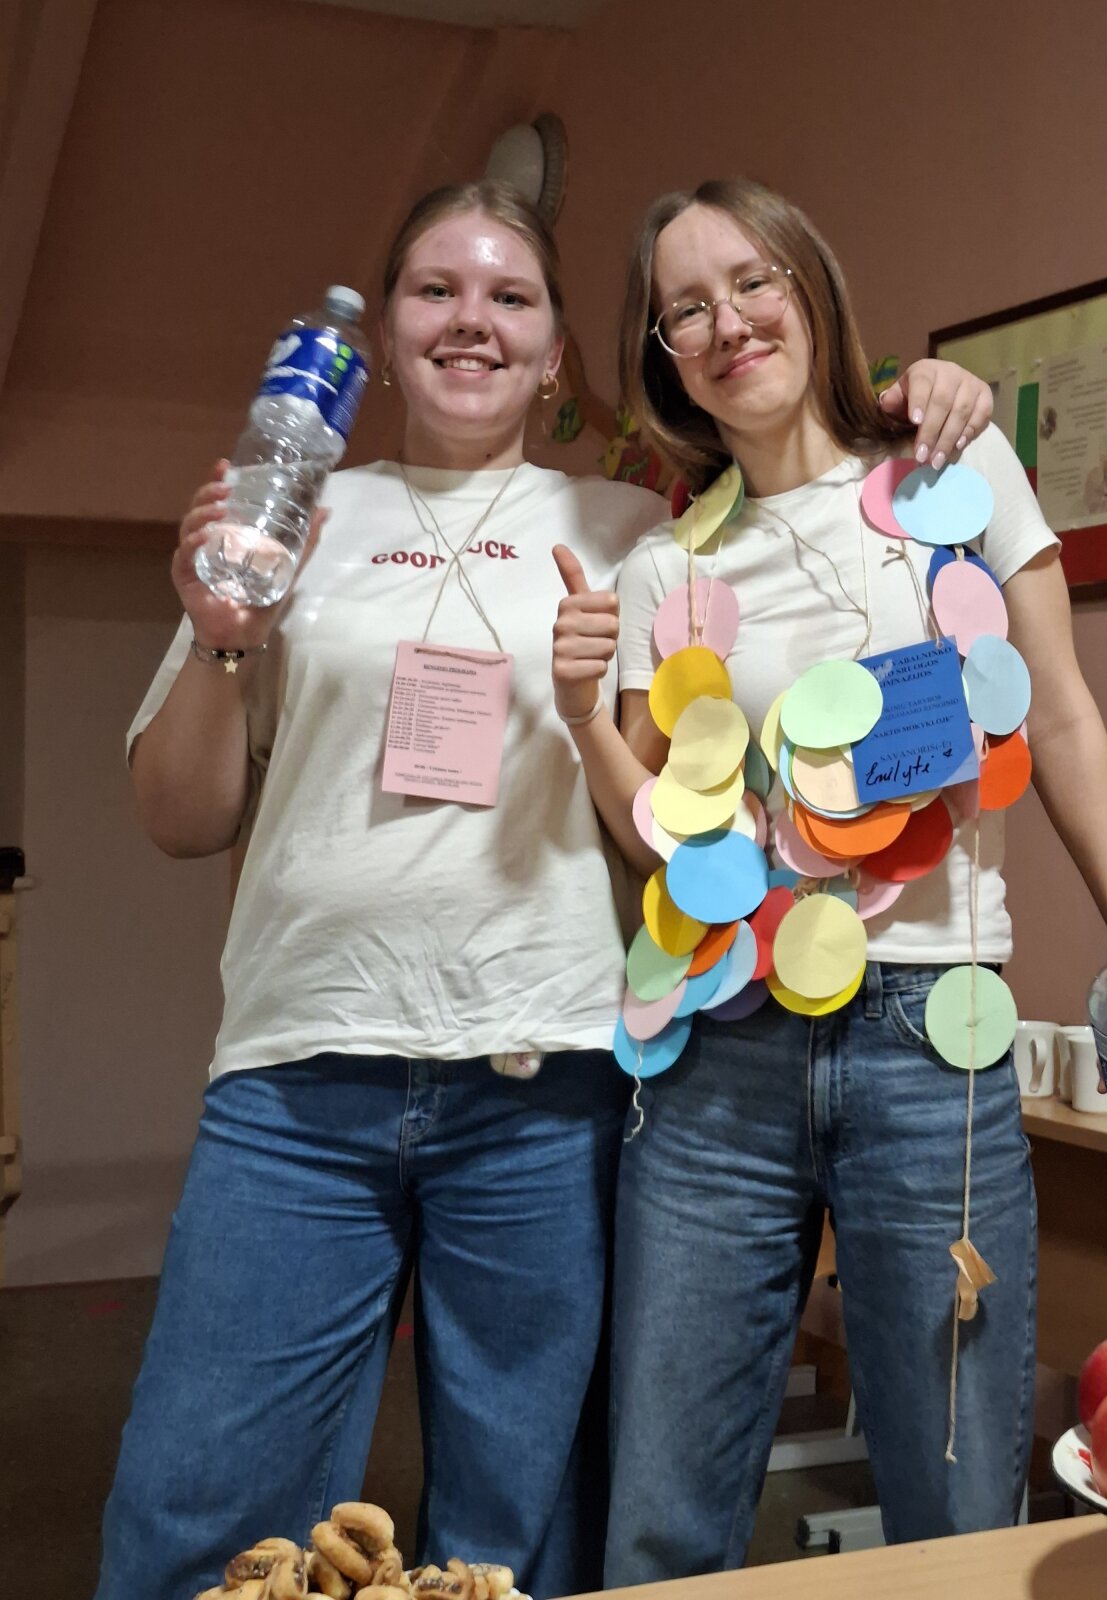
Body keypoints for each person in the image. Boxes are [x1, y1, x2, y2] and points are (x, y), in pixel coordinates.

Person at [99, 175, 989, 1600]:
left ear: (559, 353)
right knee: (202, 1512)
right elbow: (179, 816)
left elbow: (802, 486)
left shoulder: (643, 528)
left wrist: (925, 399)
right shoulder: (297, 519)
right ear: (388, 337)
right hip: (299, 1080)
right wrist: (218, 636)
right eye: (435, 291)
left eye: (509, 297)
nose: (472, 321)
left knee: (514, 1535)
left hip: (547, 1087)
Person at [549, 177, 1107, 1585]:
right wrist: (584, 714)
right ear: (664, 356)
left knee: (957, 1511)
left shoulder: (956, 475)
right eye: (685, 309)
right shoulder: (661, 568)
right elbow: (658, 835)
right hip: (715, 1059)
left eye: (751, 281)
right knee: (663, 1517)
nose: (727, 323)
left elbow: (1062, 714)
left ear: (810, 286)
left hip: (929, 1047)